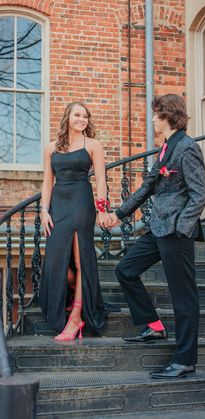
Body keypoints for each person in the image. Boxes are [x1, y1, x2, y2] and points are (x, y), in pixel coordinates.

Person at [109, 94, 205, 378]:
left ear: (169, 116)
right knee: (125, 270)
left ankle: (185, 360)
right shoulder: (166, 148)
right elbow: (148, 186)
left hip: (176, 231)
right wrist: (118, 214)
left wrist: (181, 226)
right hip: (157, 227)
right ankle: (153, 326)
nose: (152, 119)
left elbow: (200, 194)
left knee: (184, 297)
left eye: (156, 115)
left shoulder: (187, 148)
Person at [39, 101, 110, 341]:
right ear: (67, 117)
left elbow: (101, 181)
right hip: (58, 206)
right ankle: (72, 295)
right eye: (77, 114)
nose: (81, 119)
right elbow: (47, 182)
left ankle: (77, 315)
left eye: (85, 116)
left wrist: (102, 210)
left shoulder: (93, 145)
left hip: (81, 202)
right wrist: (44, 210)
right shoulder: (51, 148)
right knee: (56, 261)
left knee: (81, 260)